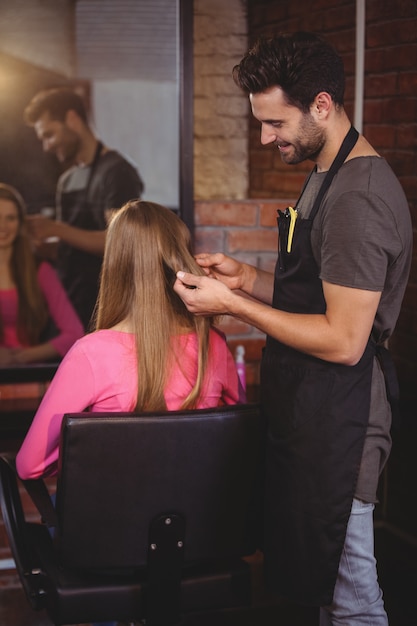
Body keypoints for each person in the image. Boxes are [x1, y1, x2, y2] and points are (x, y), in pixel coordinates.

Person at [173, 32, 412, 625]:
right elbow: (316, 297)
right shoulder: (325, 171)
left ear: (322, 106)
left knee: (353, 595)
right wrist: (248, 279)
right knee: (326, 588)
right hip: (314, 410)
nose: (266, 137)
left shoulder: (358, 197)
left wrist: (231, 304)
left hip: (344, 421)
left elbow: (343, 338)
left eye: (276, 123)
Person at [16, 200, 244, 479]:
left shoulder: (90, 354)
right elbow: (238, 435)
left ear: (115, 263)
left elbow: (30, 466)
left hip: (113, 519)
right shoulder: (214, 344)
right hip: (200, 519)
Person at [23, 87, 144, 330]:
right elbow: (71, 247)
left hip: (105, 306)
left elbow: (119, 241)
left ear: (72, 119)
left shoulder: (116, 172)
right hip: (69, 303)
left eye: (50, 134)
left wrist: (56, 228)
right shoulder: (67, 179)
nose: (46, 146)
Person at [0, 183, 83, 367]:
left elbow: (74, 333)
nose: (3, 226)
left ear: (21, 223)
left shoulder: (40, 270)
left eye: (10, 218)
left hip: (28, 377)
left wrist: (23, 356)